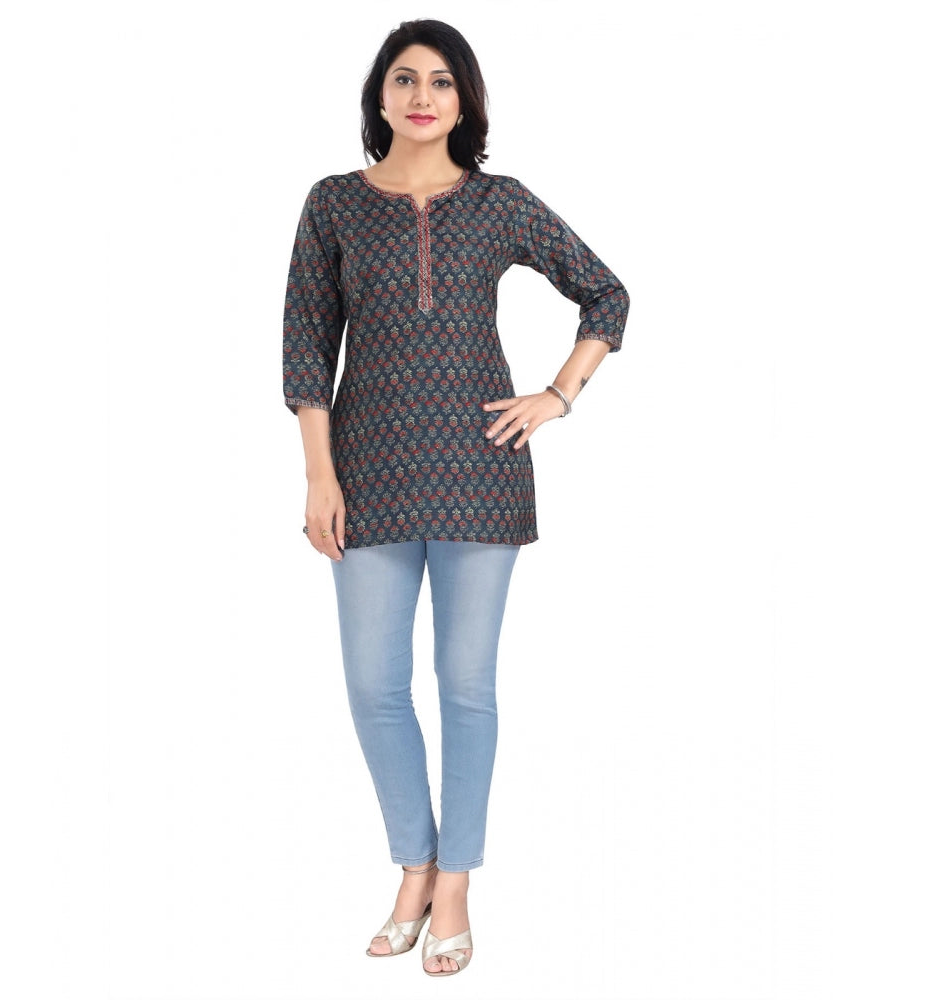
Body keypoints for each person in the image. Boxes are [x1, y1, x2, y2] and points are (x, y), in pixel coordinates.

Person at [282, 18, 629, 978]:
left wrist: (557, 396)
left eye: (442, 80)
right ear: (380, 95)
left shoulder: (499, 202)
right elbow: (306, 347)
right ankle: (414, 865)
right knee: (373, 685)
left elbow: (606, 295)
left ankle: (456, 883)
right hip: (366, 472)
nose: (422, 95)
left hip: (480, 469)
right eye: (405, 78)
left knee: (467, 685)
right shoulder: (334, 204)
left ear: (465, 99)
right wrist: (318, 474)